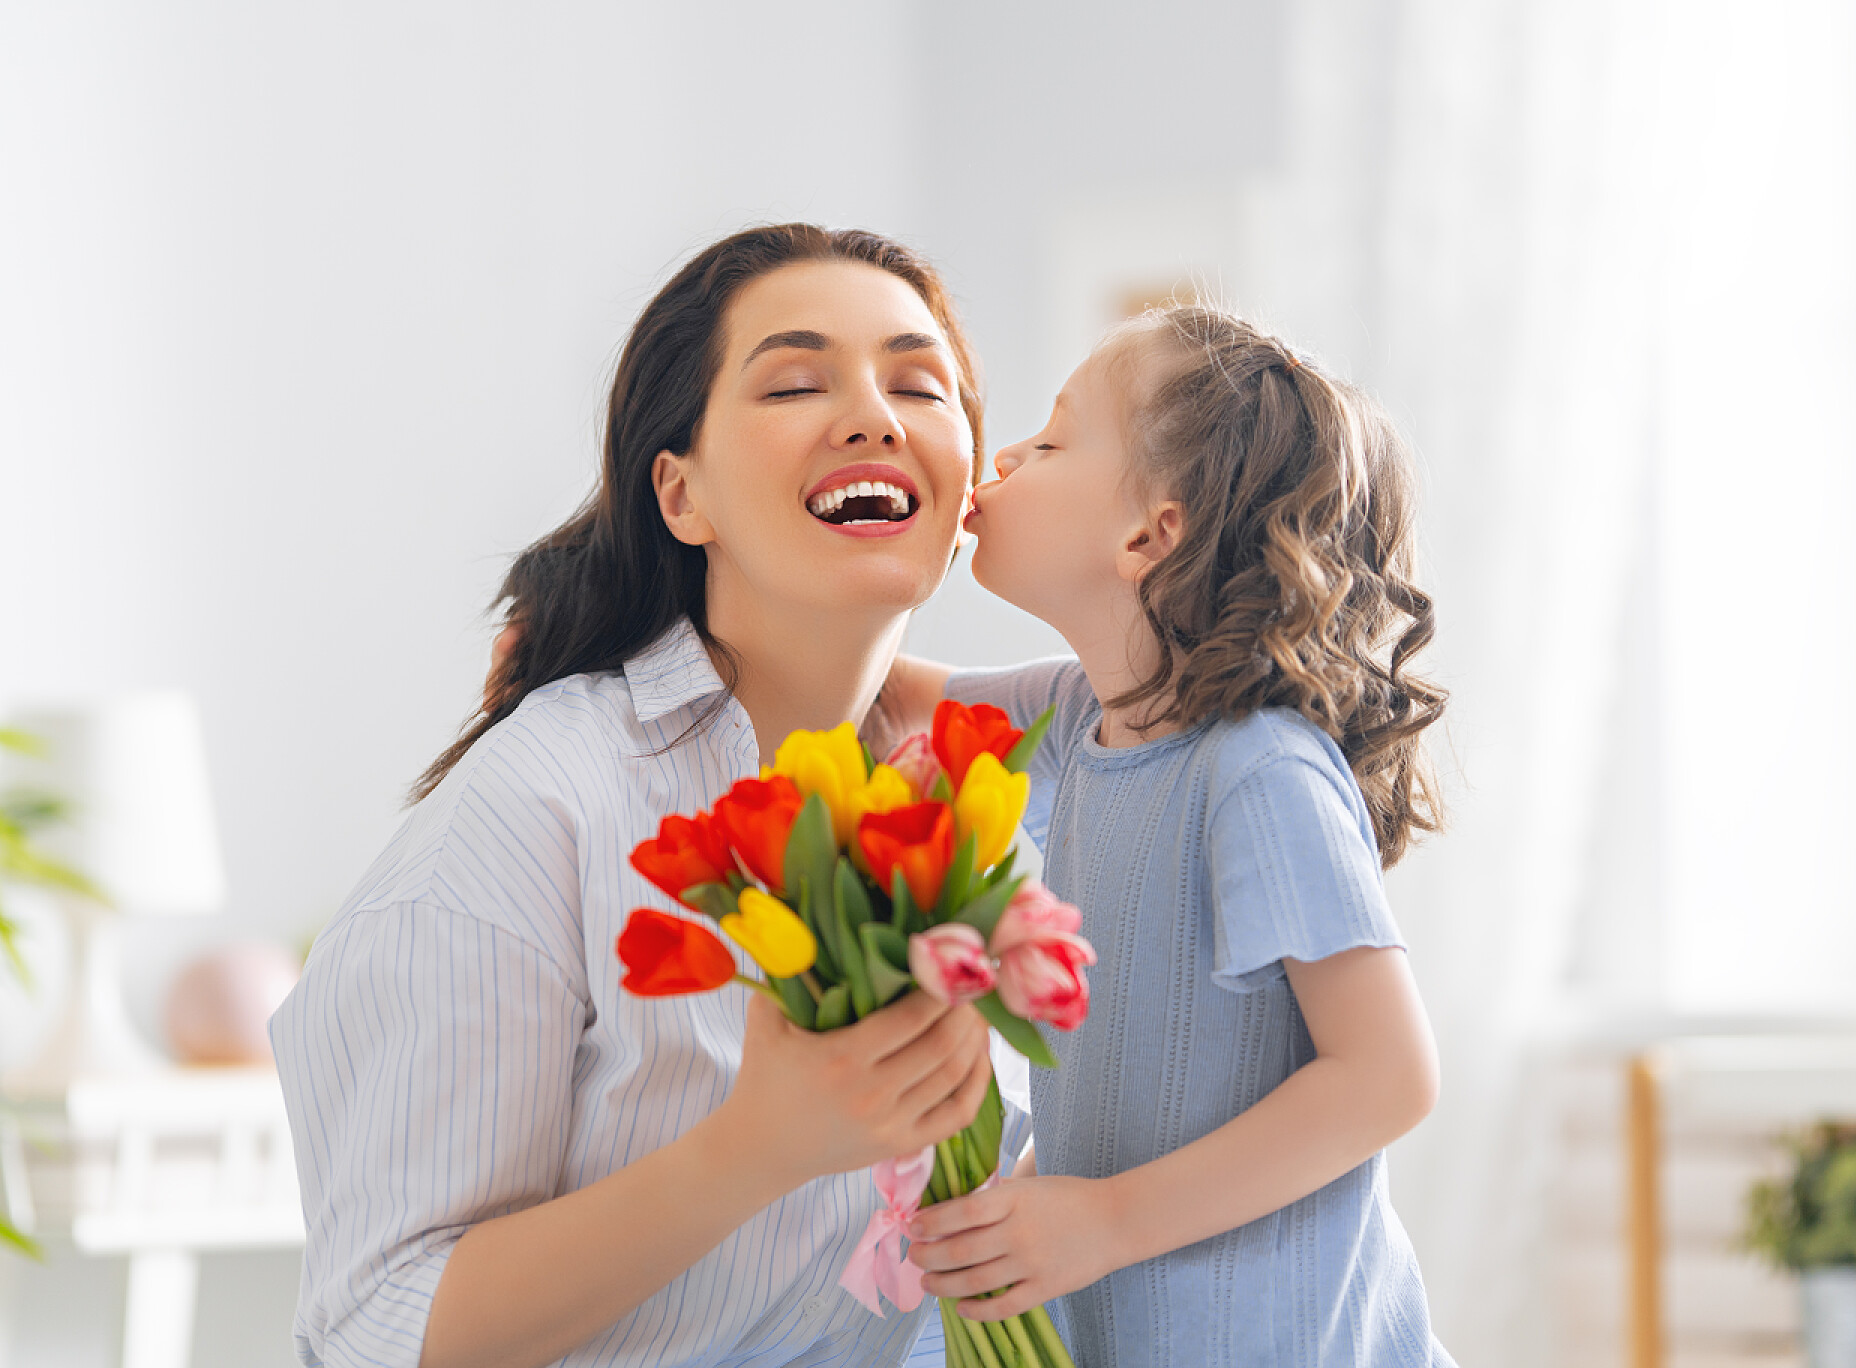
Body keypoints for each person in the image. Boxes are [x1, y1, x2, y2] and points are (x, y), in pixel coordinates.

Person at [269, 224, 1001, 1368]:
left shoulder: (969, 798)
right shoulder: (545, 803)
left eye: (920, 383)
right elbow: (376, 1325)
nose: (875, 415)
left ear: (966, 501)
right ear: (682, 493)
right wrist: (753, 1149)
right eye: (797, 383)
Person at [895, 305, 1457, 1366]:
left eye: (1051, 442)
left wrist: (1103, 1222)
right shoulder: (1086, 717)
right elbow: (885, 700)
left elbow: (1388, 1077)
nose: (1005, 455)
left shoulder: (1258, 770)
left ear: (1149, 535)